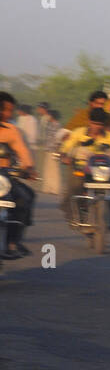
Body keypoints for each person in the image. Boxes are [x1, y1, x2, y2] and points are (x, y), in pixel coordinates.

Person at [57, 107, 110, 222]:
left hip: (106, 171)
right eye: (94, 123)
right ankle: (74, 214)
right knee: (74, 186)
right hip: (83, 170)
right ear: (89, 122)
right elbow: (67, 146)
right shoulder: (79, 133)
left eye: (100, 124)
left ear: (104, 125)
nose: (96, 127)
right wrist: (64, 156)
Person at [0, 93, 38, 258]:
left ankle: (13, 241)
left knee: (26, 197)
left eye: (11, 111)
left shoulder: (12, 131)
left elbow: (22, 151)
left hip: (4, 177)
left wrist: (28, 168)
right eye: (7, 110)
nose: (9, 114)